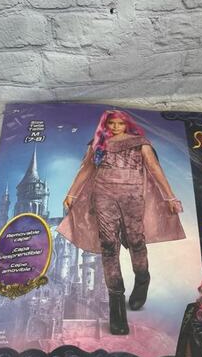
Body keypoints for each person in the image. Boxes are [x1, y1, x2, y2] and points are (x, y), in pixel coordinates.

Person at [57, 109, 185, 335]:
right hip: (103, 196)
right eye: (111, 123)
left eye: (120, 123)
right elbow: (86, 169)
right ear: (106, 124)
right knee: (108, 246)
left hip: (133, 197)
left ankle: (142, 278)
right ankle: (117, 306)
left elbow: (155, 170)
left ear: (127, 124)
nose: (116, 127)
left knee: (136, 242)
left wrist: (170, 197)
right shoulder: (98, 144)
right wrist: (71, 194)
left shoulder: (140, 143)